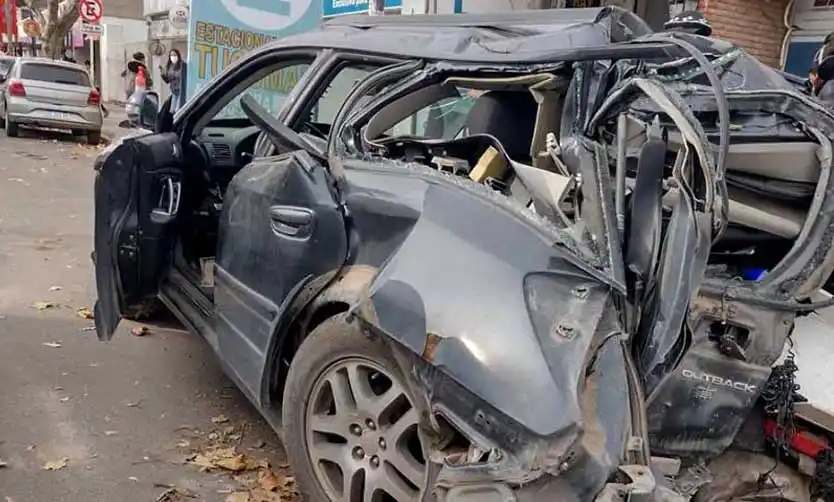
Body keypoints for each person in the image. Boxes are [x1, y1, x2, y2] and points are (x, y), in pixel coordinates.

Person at [160, 48, 187, 113]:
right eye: (171, 55)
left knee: (178, 110)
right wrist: (163, 73)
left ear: (178, 55)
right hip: (174, 91)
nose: (173, 57)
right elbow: (168, 81)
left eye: (174, 55)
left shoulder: (183, 65)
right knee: (172, 111)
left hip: (181, 91)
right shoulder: (169, 66)